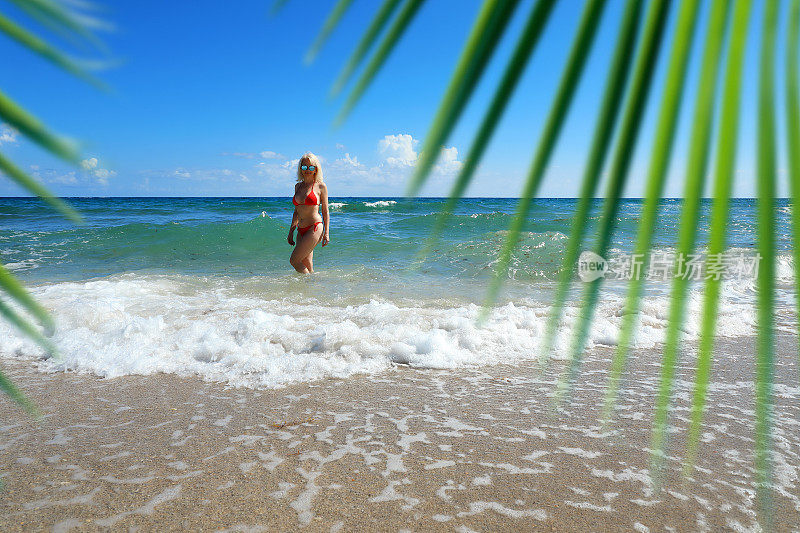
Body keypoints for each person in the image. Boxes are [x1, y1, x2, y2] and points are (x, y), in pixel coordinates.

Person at [287, 152, 329, 273]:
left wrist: (326, 233)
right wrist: (291, 231)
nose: (308, 170)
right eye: (304, 167)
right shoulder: (297, 186)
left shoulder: (321, 186)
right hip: (301, 229)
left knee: (294, 261)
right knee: (307, 263)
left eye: (311, 167)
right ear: (301, 168)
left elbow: (325, 211)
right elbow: (296, 211)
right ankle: (311, 289)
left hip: (314, 227)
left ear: (316, 169)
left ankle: (308, 283)